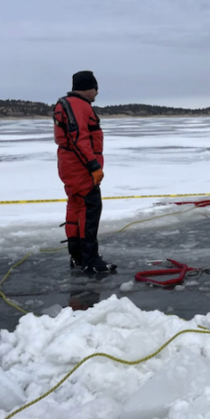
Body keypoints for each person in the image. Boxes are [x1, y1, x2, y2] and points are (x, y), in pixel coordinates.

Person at [53, 70, 116, 274]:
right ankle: (90, 259)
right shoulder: (78, 106)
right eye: (96, 89)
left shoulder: (69, 104)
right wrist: (93, 167)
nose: (97, 93)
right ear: (88, 88)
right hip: (80, 168)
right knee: (89, 209)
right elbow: (79, 138)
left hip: (70, 165)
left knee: (76, 207)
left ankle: (78, 257)